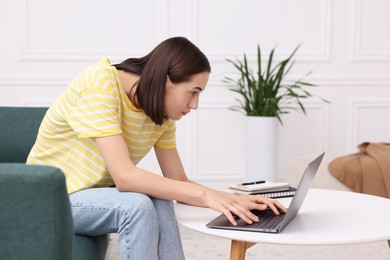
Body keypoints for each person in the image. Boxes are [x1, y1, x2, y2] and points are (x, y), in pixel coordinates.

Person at [27, 37, 286, 260]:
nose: (195, 104)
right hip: (49, 199)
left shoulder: (159, 114)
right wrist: (207, 198)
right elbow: (125, 177)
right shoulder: (100, 85)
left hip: (91, 198)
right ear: (165, 80)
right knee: (136, 206)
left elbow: (178, 181)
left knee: (160, 198)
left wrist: (233, 199)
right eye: (193, 92)